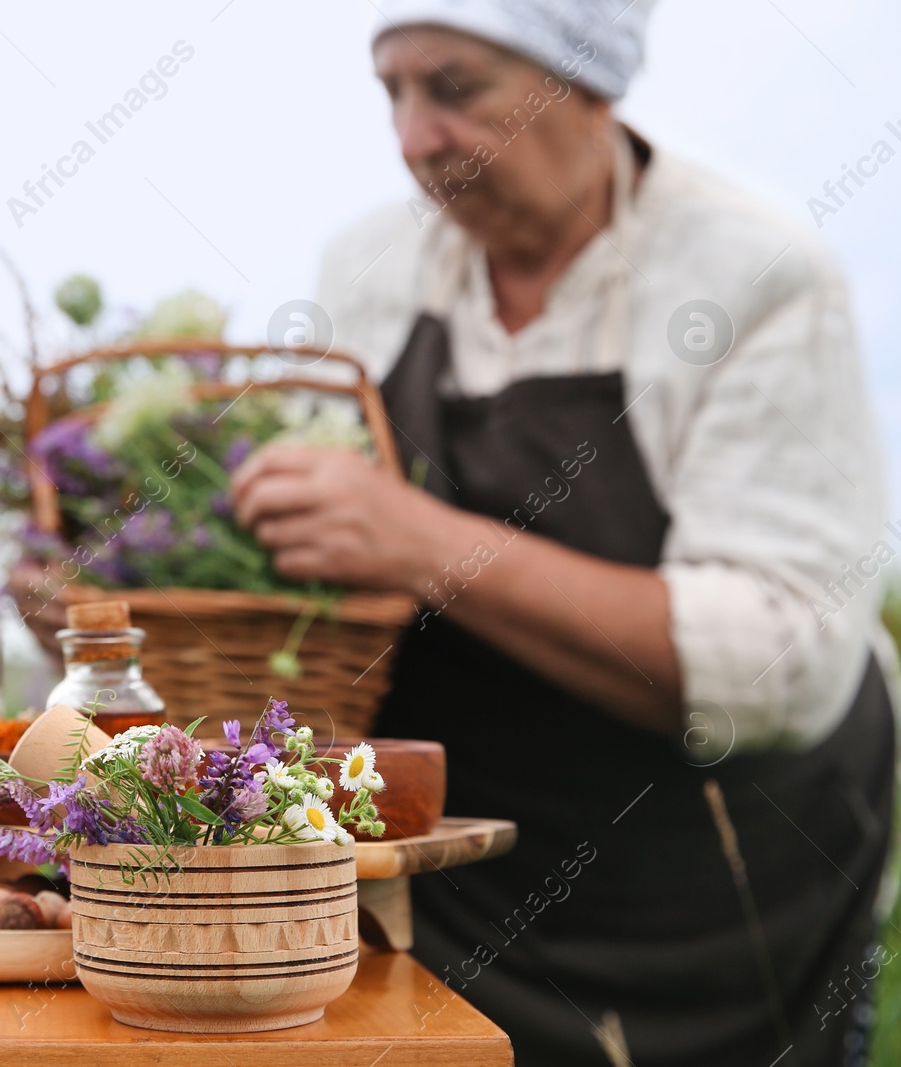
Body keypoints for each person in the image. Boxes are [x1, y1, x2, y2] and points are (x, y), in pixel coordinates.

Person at [227, 1, 897, 1064]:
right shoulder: (370, 268)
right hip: (460, 864)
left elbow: (780, 657)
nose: (411, 140)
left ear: (587, 84)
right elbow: (315, 584)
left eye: (453, 89)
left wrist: (425, 542)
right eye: (390, 93)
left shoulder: (751, 276)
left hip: (708, 886)